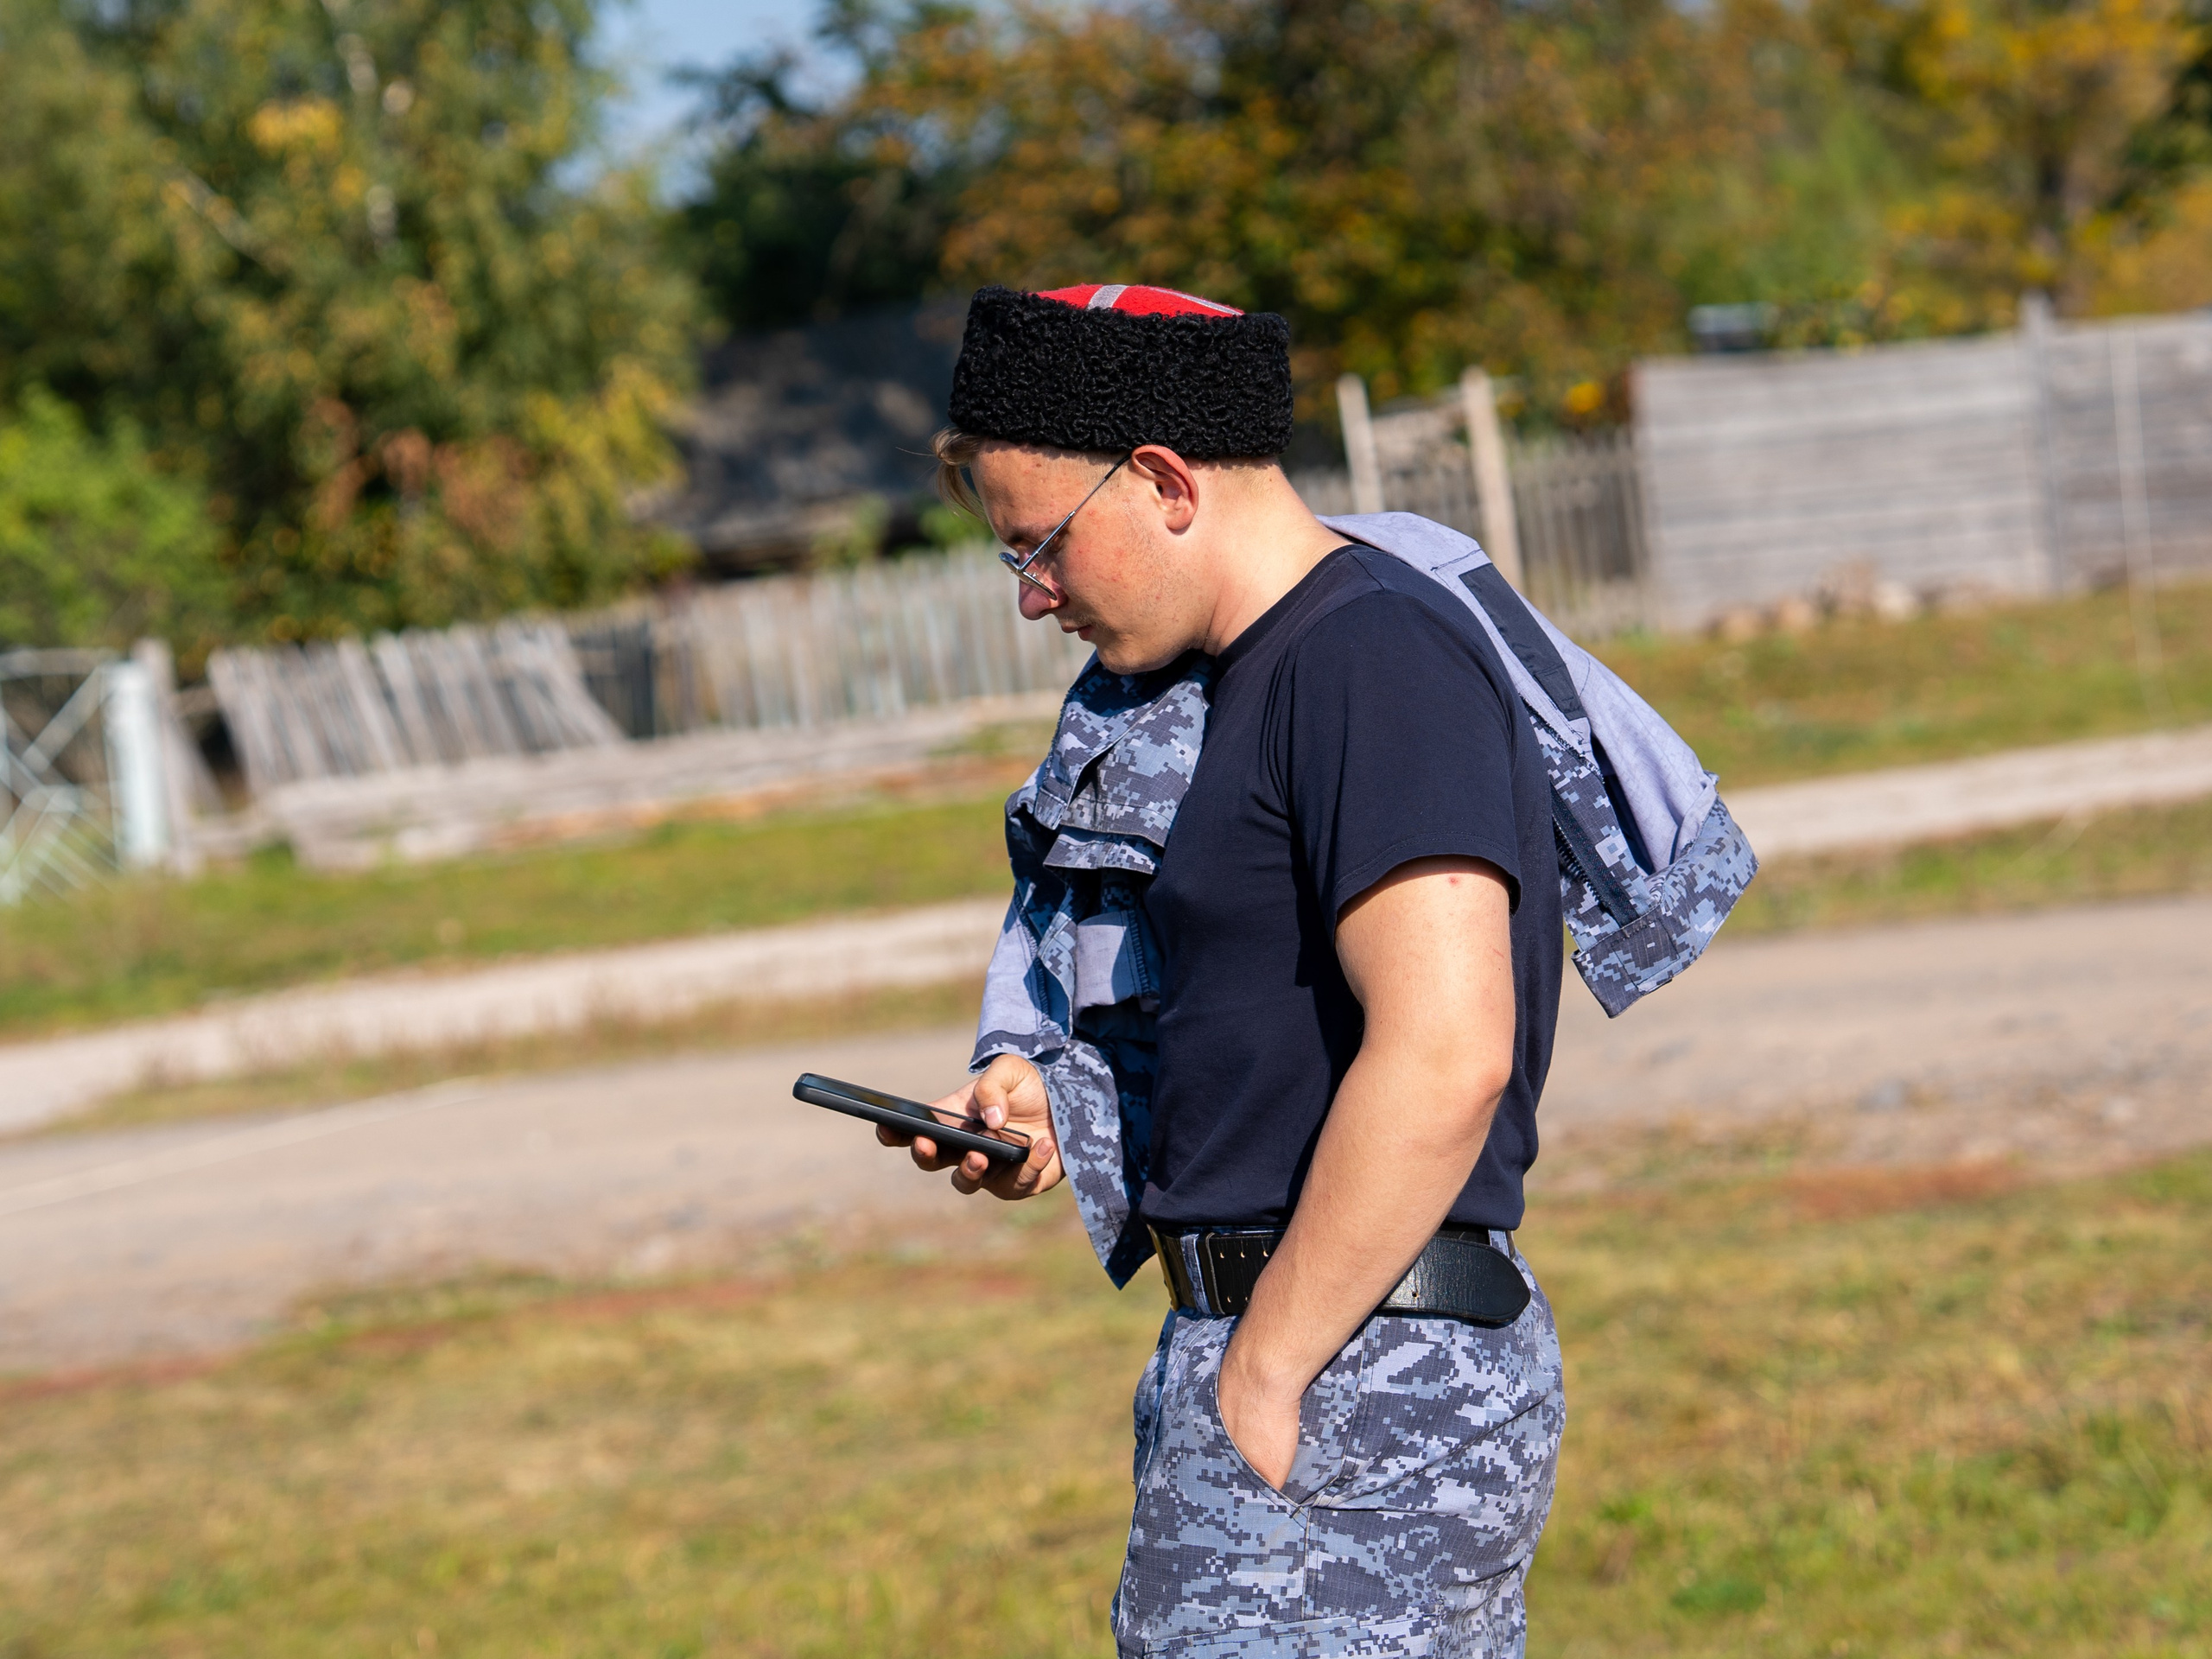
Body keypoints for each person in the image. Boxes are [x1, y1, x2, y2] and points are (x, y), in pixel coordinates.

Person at [879, 282, 1566, 1657]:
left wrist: (1262, 1370)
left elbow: (1447, 1053)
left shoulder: (1369, 656)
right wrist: (1051, 1112)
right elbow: (1256, 1041)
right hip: (1305, 1360)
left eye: (1042, 547)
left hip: (1350, 1373)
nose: (1033, 597)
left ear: (1164, 481)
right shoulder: (1230, 688)